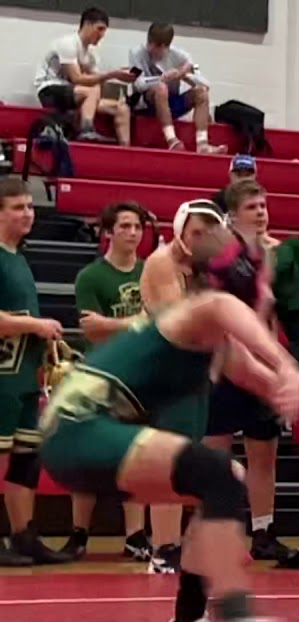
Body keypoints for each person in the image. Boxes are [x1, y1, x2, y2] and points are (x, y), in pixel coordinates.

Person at [40, 221, 299, 622]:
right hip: (78, 427)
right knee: (216, 472)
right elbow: (237, 321)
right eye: (264, 281)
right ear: (246, 280)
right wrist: (285, 362)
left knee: (224, 483)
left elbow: (269, 383)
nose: (270, 293)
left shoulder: (216, 341)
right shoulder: (200, 309)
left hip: (79, 436)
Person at [62, 201, 181, 563]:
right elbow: (92, 331)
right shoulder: (91, 276)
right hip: (101, 375)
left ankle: (135, 535)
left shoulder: (151, 270)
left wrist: (120, 325)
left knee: (137, 456)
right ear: (108, 232)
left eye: (137, 227)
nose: (132, 233)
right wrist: (138, 322)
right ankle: (78, 534)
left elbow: (160, 323)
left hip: (141, 376)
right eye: (125, 226)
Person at [202, 179, 297, 563]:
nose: (261, 212)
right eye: (252, 207)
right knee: (216, 454)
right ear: (233, 214)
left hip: (257, 361)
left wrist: (274, 362)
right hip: (224, 361)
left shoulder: (267, 254)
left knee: (263, 453)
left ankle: (263, 531)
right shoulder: (220, 254)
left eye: (263, 206)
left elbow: (267, 316)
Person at [0, 178, 67, 566]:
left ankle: (23, 535)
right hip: (2, 375)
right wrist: (34, 326)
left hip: (24, 373)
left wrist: (44, 338)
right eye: (17, 207)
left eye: (30, 206)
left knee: (27, 457)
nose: (28, 214)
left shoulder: (19, 258)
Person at [33, 6, 134, 144]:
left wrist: (119, 74)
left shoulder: (91, 54)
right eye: (99, 29)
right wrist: (111, 74)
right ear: (86, 24)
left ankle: (125, 150)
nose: (102, 34)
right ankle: (86, 129)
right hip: (49, 89)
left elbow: (97, 80)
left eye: (104, 30)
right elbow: (77, 78)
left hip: (77, 94)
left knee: (122, 108)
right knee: (91, 91)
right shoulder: (68, 43)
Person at [128, 22, 226, 154]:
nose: (153, 49)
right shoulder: (136, 53)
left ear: (166, 46)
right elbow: (138, 84)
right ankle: (172, 139)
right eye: (150, 44)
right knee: (161, 88)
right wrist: (163, 78)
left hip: (172, 102)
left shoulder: (180, 56)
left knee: (201, 93)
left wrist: (182, 74)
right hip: (147, 104)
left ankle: (202, 144)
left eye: (159, 47)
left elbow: (205, 84)